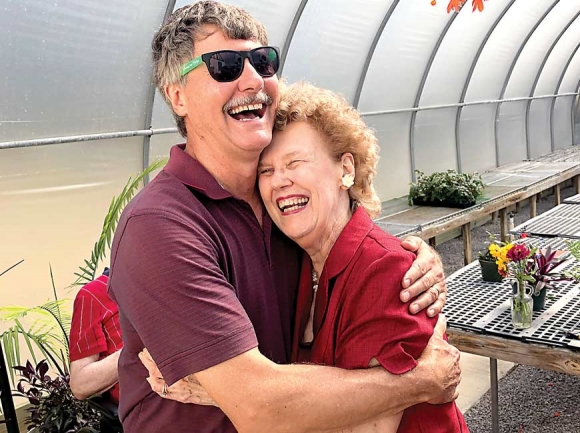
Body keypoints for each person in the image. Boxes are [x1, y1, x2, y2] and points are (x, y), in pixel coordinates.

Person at [109, 2, 460, 432]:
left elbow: (358, 254)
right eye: (223, 66)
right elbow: (259, 408)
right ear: (177, 95)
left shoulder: (285, 219)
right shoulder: (161, 225)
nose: (253, 79)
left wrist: (412, 258)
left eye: (263, 61)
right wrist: (421, 381)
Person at [258, 81, 468, 431]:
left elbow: (367, 426)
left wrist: (229, 398)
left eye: (295, 162)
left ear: (346, 170)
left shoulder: (392, 270)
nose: (279, 180)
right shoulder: (297, 264)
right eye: (266, 170)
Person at [69, 268, 122, 404]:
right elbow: (80, 385)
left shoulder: (173, 283)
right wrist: (138, 347)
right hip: (147, 409)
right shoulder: (93, 295)